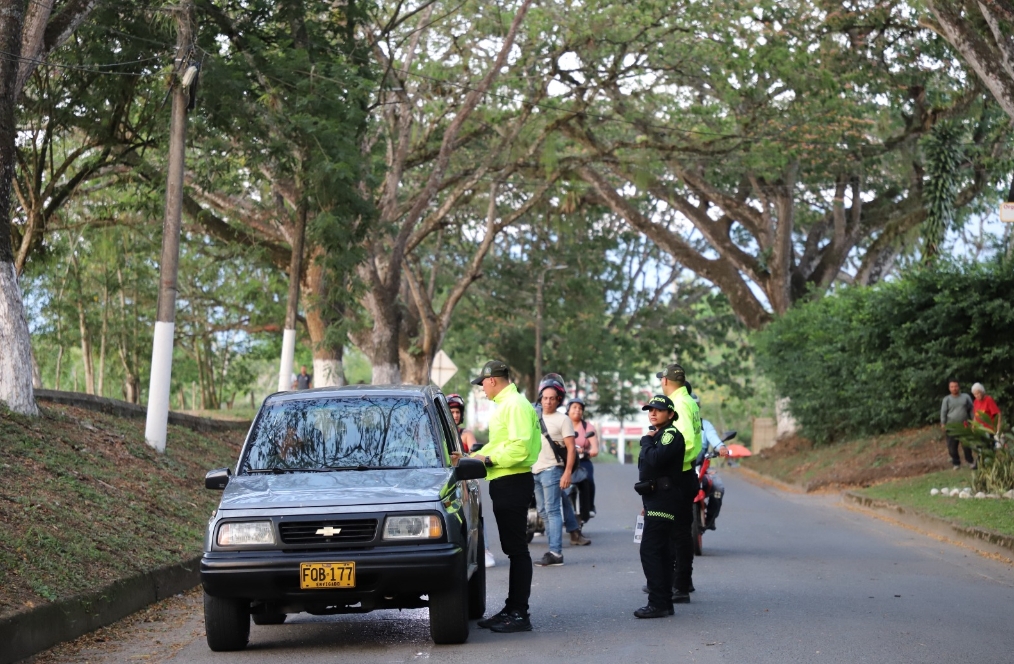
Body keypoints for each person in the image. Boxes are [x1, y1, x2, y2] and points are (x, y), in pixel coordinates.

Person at [466, 360, 541, 633]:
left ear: (493, 380)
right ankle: (512, 608)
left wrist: (487, 459)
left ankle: (520, 613)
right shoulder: (508, 405)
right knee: (513, 548)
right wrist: (470, 457)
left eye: (482, 383)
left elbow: (519, 449)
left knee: (517, 550)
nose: (482, 388)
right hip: (506, 481)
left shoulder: (515, 405)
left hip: (513, 481)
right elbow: (499, 444)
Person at [634, 394, 686, 618]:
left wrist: (646, 440)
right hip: (656, 497)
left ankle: (657, 602)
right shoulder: (661, 434)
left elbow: (655, 460)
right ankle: (664, 602)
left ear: (671, 414)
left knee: (651, 550)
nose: (652, 413)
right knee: (662, 551)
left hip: (664, 498)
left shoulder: (670, 434)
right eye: (650, 409)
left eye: (658, 409)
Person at [532, 377, 591, 569]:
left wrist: (567, 473)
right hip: (534, 470)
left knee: (552, 510)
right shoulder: (534, 416)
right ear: (540, 398)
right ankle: (553, 549)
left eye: (552, 398)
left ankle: (556, 552)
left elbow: (571, 449)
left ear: (559, 400)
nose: (548, 401)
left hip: (552, 470)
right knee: (542, 511)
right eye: (545, 398)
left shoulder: (563, 419)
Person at [656, 363, 701, 604]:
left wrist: (663, 462)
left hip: (678, 474)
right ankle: (682, 581)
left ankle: (680, 585)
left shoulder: (680, 404)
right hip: (685, 472)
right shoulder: (690, 401)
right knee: (679, 532)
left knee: (677, 533)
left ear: (665, 381)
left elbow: (686, 443)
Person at [447, 393, 494, 568]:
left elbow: (475, 454)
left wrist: (464, 456)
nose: (455, 415)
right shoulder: (440, 436)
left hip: (467, 481)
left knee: (475, 515)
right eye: (451, 411)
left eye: (458, 412)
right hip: (448, 484)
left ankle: (484, 549)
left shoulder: (465, 434)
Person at [692, 393, 730, 531]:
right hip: (678, 469)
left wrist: (721, 447)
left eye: (694, 406)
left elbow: (714, 439)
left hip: (700, 468)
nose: (691, 409)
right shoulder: (673, 425)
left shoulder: (705, 425)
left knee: (718, 488)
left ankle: (710, 519)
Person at [568, 398, 598, 523]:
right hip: (564, 460)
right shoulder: (563, 423)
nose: (577, 410)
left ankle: (589, 507)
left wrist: (586, 452)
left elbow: (595, 449)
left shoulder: (587, 427)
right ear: (568, 409)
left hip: (582, 460)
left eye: (580, 408)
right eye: (574, 407)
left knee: (589, 479)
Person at [941, 380, 975, 470]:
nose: (954, 388)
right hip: (951, 427)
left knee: (966, 445)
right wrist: (943, 423)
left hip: (964, 425)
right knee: (952, 447)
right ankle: (956, 463)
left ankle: (970, 461)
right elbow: (943, 412)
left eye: (955, 386)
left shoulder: (966, 397)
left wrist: (973, 421)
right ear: (949, 388)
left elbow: (971, 409)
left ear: (959, 387)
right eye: (952, 387)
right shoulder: (946, 399)